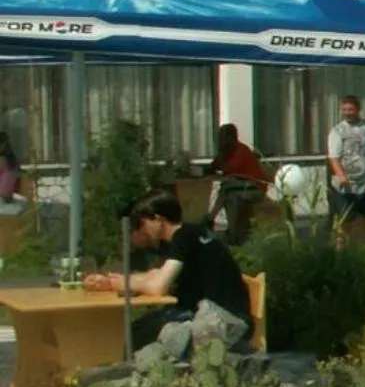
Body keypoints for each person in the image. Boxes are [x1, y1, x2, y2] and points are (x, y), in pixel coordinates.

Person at [83, 189, 251, 352]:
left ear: (158, 220)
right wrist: (117, 280)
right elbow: (158, 274)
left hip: (223, 320)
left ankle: (129, 375)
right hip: (220, 312)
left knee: (139, 333)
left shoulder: (183, 237)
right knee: (140, 328)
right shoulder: (189, 233)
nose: (141, 230)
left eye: (142, 224)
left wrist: (117, 283)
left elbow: (158, 286)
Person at [206, 123, 271, 242]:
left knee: (227, 184)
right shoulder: (227, 152)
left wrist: (221, 158)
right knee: (231, 197)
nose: (222, 141)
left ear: (232, 137)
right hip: (239, 188)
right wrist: (218, 158)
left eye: (224, 138)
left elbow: (231, 169)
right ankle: (233, 232)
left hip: (255, 188)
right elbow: (213, 167)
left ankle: (211, 218)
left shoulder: (242, 150)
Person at [326, 95, 365, 239]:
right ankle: (342, 253)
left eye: (350, 109)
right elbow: (333, 157)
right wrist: (341, 175)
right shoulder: (338, 131)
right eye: (344, 110)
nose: (347, 112)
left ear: (358, 109)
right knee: (345, 221)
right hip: (345, 186)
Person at [0, 134, 27, 216]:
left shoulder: (2, 160)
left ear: (3, 145)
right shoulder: (12, 160)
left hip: (3, 197)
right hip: (8, 196)